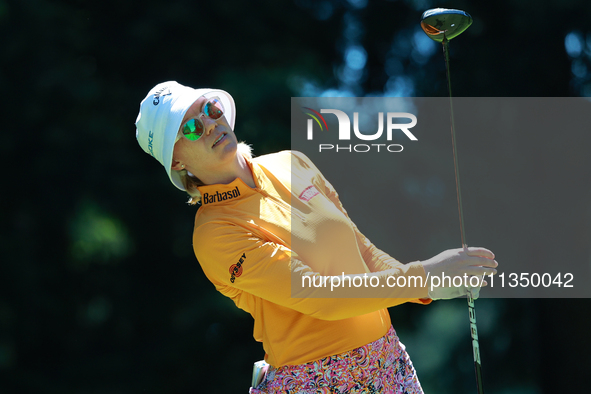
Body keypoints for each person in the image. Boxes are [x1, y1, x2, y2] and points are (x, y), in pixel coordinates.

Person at [135, 81, 498, 393]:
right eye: (192, 129)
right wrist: (425, 276)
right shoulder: (214, 233)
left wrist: (428, 285)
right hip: (312, 381)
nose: (211, 124)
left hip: (388, 359)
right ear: (178, 162)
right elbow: (317, 293)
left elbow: (361, 250)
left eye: (210, 110)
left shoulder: (292, 162)